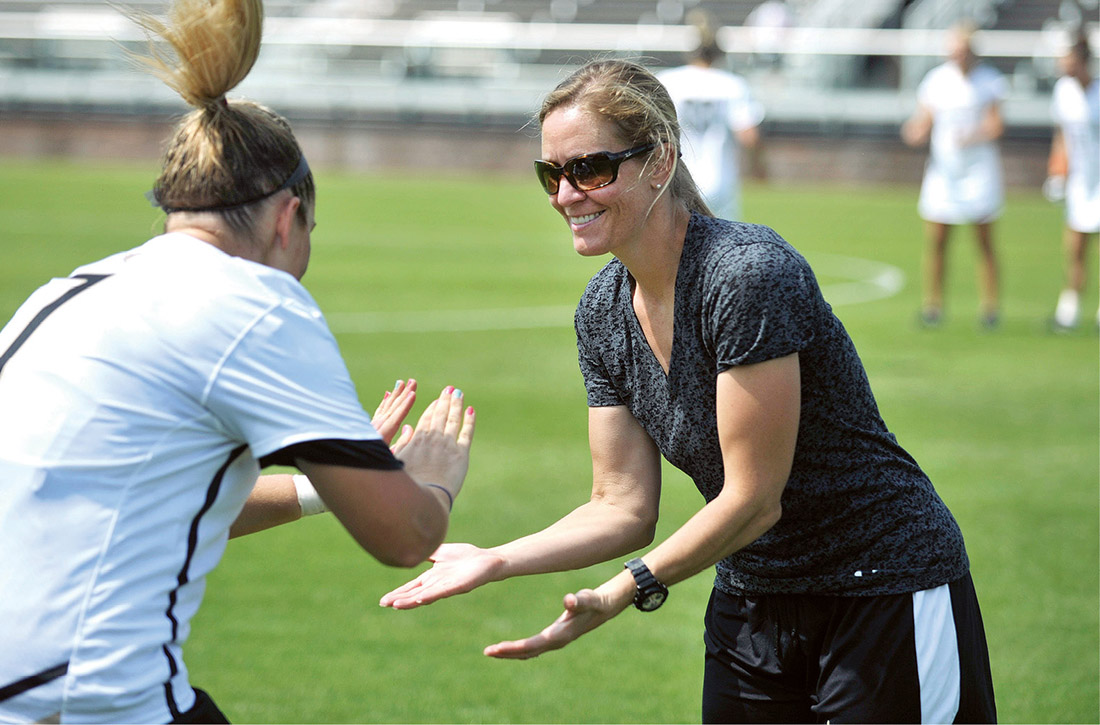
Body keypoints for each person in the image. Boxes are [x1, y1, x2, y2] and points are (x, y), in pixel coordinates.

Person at [381, 59, 997, 723]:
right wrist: (497, 559)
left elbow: (754, 499)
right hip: (753, 600)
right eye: (551, 174)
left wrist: (627, 586)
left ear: (660, 161)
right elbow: (621, 504)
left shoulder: (746, 274)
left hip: (881, 586)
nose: (566, 195)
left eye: (589, 168)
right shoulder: (601, 311)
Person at [0, 1, 475, 722]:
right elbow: (404, 537)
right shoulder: (256, 304)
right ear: (288, 219)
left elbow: (151, 498)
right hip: (81, 699)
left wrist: (325, 488)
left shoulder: (63, 295)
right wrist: (431, 479)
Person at [902, 21, 1008, 329]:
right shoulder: (937, 80)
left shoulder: (990, 81)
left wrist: (974, 135)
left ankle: (990, 308)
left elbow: (996, 125)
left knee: (984, 240)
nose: (957, 56)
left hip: (979, 172)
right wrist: (916, 130)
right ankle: (933, 306)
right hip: (944, 172)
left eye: (962, 50)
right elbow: (924, 118)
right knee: (937, 240)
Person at [657, 17, 764, 222]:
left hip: (677, 180)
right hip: (719, 182)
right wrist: (759, 167)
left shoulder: (668, 81)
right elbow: (749, 136)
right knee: (726, 240)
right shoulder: (732, 85)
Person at [1045, 32, 1099, 332]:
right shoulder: (1063, 92)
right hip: (1081, 181)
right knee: (1075, 246)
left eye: (1069, 59)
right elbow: (1062, 136)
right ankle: (1069, 310)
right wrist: (1057, 173)